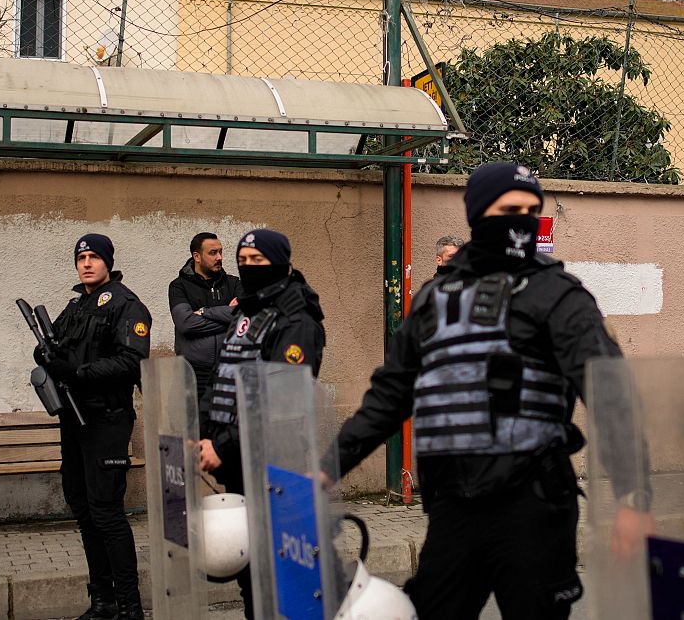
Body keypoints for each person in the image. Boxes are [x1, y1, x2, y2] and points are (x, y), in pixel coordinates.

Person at [329, 162, 646, 620]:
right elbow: (389, 396)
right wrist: (325, 470)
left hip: (532, 504)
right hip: (453, 506)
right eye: (509, 208)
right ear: (478, 213)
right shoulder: (433, 301)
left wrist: (634, 496)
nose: (521, 219)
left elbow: (611, 395)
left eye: (529, 210)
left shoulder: (558, 294)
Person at [195, 228, 326, 620]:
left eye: (259, 261)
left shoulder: (296, 319)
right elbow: (221, 378)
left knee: (279, 574)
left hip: (276, 465)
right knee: (252, 577)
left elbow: (279, 402)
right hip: (239, 463)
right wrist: (201, 434)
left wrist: (223, 447)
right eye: (244, 261)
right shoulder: (247, 312)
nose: (249, 268)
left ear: (282, 263)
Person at [35, 233, 153, 620]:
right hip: (74, 419)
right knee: (84, 510)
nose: (86, 263)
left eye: (94, 257)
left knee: (107, 512)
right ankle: (103, 602)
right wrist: (46, 353)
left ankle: (130, 608)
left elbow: (130, 363)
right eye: (81, 257)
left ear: (108, 262)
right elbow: (59, 347)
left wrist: (78, 372)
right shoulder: (76, 306)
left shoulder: (126, 305)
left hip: (106, 419)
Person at [167, 232, 244, 404]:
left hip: (229, 370)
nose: (219, 257)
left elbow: (244, 316)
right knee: (194, 428)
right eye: (213, 253)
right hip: (194, 373)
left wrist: (205, 312)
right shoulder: (179, 287)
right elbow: (186, 324)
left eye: (221, 252)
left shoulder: (234, 283)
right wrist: (227, 318)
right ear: (197, 256)